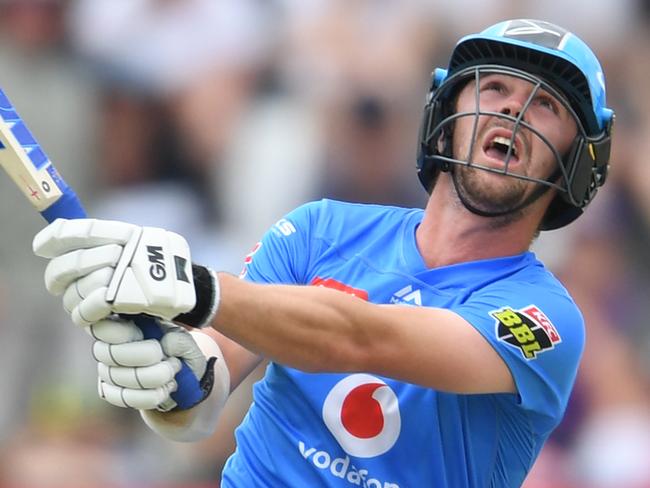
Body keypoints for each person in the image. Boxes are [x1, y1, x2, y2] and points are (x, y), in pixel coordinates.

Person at [32, 19, 614, 488]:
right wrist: (169, 378)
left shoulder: (544, 319)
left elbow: (362, 339)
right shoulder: (319, 228)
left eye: (546, 106)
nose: (513, 109)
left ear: (578, 162)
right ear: (444, 120)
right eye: (494, 87)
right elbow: (206, 388)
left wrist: (193, 287)